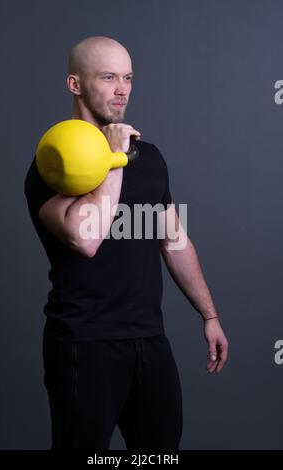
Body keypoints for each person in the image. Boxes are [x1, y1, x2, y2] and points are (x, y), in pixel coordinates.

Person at [24, 36, 228, 450]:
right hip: (84, 341)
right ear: (75, 84)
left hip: (149, 340)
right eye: (109, 77)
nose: (123, 89)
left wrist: (209, 315)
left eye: (128, 77)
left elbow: (174, 240)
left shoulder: (148, 156)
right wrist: (114, 159)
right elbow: (86, 240)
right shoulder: (52, 161)